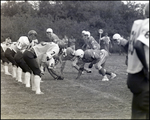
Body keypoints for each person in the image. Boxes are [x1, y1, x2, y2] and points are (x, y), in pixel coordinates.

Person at [112, 3, 149, 119]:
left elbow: (131, 45)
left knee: (138, 113)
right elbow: (138, 45)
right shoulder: (147, 25)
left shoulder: (138, 24)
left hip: (134, 77)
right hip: (143, 78)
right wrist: (147, 68)